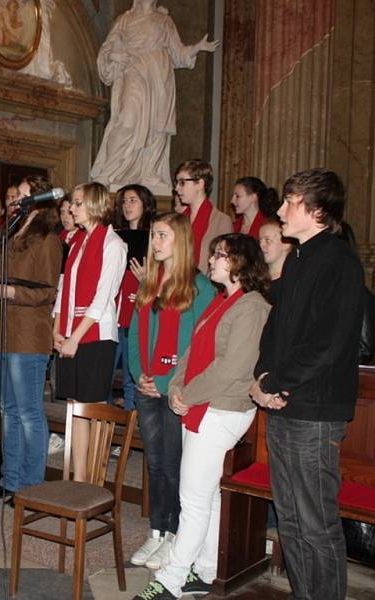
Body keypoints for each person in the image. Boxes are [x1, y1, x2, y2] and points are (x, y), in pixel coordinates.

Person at [133, 233, 271, 600]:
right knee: (207, 496)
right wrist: (177, 388)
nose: (210, 260)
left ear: (239, 262)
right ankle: (205, 570)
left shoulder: (252, 306)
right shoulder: (222, 301)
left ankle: (171, 580)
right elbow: (191, 351)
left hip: (222, 408)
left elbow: (231, 369)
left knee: (192, 499)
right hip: (200, 404)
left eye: (219, 255)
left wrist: (186, 395)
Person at [251, 168, 365, 600]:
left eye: (290, 201)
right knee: (292, 520)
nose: (280, 210)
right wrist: (262, 377)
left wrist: (278, 382)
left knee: (317, 523)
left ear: (316, 211)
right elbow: (275, 329)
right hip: (284, 402)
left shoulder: (338, 261)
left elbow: (330, 343)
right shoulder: (298, 258)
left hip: (315, 410)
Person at [128, 212, 215, 569]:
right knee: (156, 463)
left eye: (162, 236)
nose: (155, 243)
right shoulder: (150, 283)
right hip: (147, 388)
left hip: (178, 392)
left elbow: (200, 346)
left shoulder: (201, 287)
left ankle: (178, 534)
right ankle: (158, 531)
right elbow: (134, 336)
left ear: (180, 241)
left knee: (177, 467)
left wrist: (164, 382)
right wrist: (139, 375)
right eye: (153, 236)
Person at [0, 175, 63, 501]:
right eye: (17, 196)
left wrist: (9, 291)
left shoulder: (48, 240)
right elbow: (0, 279)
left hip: (28, 336)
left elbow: (46, 292)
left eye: (26, 196)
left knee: (28, 413)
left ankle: (31, 485)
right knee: (7, 411)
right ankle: (10, 480)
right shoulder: (8, 233)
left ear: (41, 201)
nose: (17, 201)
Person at [90, 0, 219, 192]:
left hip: (160, 79)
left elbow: (179, 53)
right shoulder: (124, 20)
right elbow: (107, 49)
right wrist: (114, 56)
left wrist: (197, 47)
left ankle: (149, 172)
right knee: (127, 120)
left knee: (157, 128)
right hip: (134, 72)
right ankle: (110, 171)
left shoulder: (164, 21)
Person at [53, 182, 126, 481]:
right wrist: (56, 328)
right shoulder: (76, 242)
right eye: (72, 203)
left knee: (92, 409)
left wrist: (74, 337)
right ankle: (78, 479)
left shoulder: (113, 244)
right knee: (75, 407)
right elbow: (64, 289)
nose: (72, 208)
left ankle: (93, 480)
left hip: (95, 338)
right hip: (71, 333)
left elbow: (102, 299)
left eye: (78, 203)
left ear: (95, 204)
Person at [112, 184, 157, 410]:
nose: (127, 206)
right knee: (104, 376)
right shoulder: (114, 236)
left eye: (133, 201)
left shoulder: (155, 238)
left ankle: (127, 438)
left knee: (131, 377)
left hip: (135, 315)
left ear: (145, 204)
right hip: (113, 313)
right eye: (124, 201)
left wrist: (145, 281)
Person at [173, 159, 232, 274]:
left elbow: (224, 265)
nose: (176, 189)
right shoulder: (179, 219)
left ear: (200, 184)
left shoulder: (222, 221)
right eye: (177, 183)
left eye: (182, 182)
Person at [258, 218, 292, 304]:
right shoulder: (256, 277)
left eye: (267, 240)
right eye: (260, 240)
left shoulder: (291, 281)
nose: (261, 245)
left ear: (286, 245)